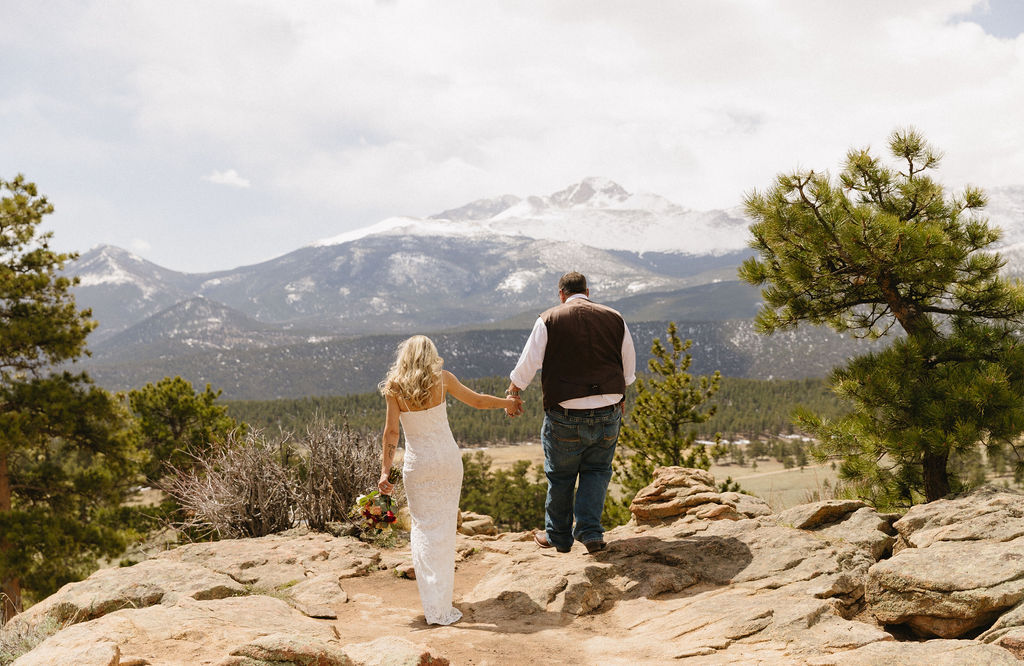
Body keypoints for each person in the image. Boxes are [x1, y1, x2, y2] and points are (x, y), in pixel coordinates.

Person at [378, 335, 521, 626]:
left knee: (422, 529)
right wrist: (509, 402)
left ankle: (434, 603)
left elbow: (391, 433)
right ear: (431, 356)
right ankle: (441, 601)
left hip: (419, 467)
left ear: (404, 357)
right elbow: (478, 401)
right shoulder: (442, 380)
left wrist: (384, 471)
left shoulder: (394, 388)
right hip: (447, 462)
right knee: (444, 531)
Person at [506, 271, 636, 554]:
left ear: (561, 294)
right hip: (608, 409)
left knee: (561, 475)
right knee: (598, 471)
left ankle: (558, 537)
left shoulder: (549, 319)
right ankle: (590, 533)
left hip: (565, 411)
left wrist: (514, 390)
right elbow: (628, 364)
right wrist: (621, 395)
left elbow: (529, 362)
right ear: (587, 291)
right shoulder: (615, 317)